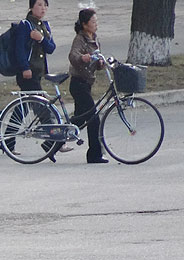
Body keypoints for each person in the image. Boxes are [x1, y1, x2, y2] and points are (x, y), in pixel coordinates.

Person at [5, 0, 59, 158]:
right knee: (42, 107)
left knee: (22, 108)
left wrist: (40, 39)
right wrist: (24, 67)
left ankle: (7, 142)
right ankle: (54, 142)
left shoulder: (44, 25)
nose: (43, 8)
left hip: (38, 73)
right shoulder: (25, 25)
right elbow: (19, 49)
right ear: (31, 7)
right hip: (27, 74)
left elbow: (51, 48)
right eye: (39, 5)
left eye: (45, 5)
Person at [67, 8, 108, 164]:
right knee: (94, 119)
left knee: (78, 120)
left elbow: (97, 63)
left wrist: (100, 63)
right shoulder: (80, 39)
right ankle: (94, 155)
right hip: (78, 84)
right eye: (93, 21)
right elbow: (73, 55)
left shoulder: (95, 39)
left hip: (87, 83)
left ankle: (51, 143)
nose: (96, 24)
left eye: (96, 21)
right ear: (85, 24)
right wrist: (82, 58)